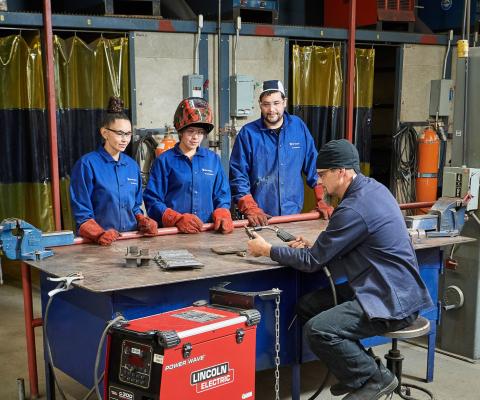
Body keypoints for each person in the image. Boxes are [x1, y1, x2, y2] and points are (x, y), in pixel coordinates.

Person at [247, 139, 433, 399]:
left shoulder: (353, 207)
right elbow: (347, 241)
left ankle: (374, 378)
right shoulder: (372, 190)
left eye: (323, 175)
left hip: (392, 300)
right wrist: (318, 246)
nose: (319, 182)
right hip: (384, 286)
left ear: (342, 171)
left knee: (318, 329)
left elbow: (312, 262)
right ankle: (355, 372)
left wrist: (267, 250)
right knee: (309, 305)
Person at [229, 79, 333, 226]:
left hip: (293, 216)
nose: (271, 109)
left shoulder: (298, 127)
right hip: (259, 219)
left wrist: (323, 199)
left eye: (276, 103)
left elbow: (314, 168)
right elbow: (238, 176)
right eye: (266, 104)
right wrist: (251, 208)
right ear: (260, 104)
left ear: (285, 102)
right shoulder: (248, 134)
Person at [70, 96, 158, 246]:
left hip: (130, 240)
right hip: (97, 244)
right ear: (105, 133)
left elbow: (135, 206)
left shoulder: (132, 166)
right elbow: (82, 213)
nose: (125, 139)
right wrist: (98, 234)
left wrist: (142, 220)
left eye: (128, 134)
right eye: (120, 133)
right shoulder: (87, 165)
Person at [143, 97, 233, 234]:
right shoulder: (164, 161)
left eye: (200, 132)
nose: (195, 137)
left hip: (207, 233)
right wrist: (176, 219)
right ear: (180, 131)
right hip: (173, 234)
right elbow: (152, 200)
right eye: (190, 131)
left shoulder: (213, 160)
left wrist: (223, 211)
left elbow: (222, 194)